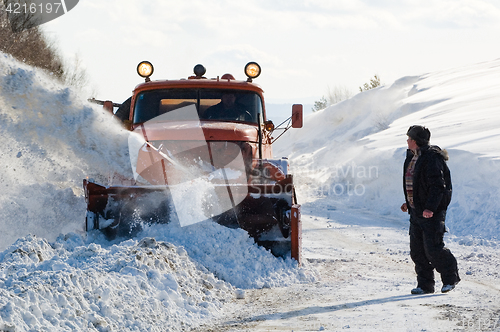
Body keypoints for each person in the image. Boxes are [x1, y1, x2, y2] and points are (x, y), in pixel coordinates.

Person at [400, 125, 460, 294]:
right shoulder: (411, 157)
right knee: (417, 251)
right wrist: (409, 202)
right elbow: (415, 184)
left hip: (431, 213)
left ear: (415, 141)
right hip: (416, 211)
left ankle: (450, 278)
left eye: (409, 138)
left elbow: (437, 187)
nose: (407, 141)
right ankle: (425, 285)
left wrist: (430, 208)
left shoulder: (432, 158)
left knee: (433, 248)